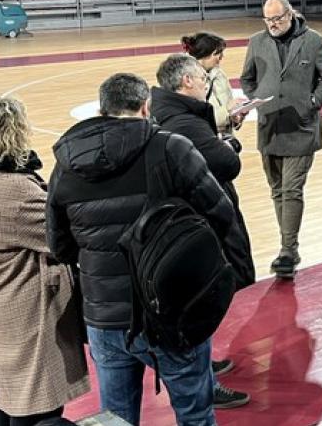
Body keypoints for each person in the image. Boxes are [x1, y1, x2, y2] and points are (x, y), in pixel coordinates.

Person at [47, 73, 252, 424]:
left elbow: (60, 246)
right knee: (195, 413)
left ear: (101, 109)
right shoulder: (171, 147)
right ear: (146, 107)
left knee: (116, 418)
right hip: (170, 310)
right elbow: (220, 212)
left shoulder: (66, 164)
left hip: (105, 316)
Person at [0, 95, 89, 426]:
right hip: (29, 314)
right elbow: (65, 235)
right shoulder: (11, 189)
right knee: (36, 406)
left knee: (11, 394)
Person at [150, 53, 255, 405]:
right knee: (200, 300)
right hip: (197, 223)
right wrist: (229, 145)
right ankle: (203, 385)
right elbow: (226, 162)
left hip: (180, 223)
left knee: (194, 302)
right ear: (186, 82)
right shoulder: (186, 122)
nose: (205, 80)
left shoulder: (165, 112)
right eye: (200, 75)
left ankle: (203, 367)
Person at [239, 0, 322, 278]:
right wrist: (256, 99)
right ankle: (289, 248)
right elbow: (247, 78)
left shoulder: (314, 40)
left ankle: (287, 249)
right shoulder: (257, 42)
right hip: (269, 129)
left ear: (291, 14)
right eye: (268, 20)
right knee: (277, 190)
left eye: (277, 19)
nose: (272, 24)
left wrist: (312, 103)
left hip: (301, 130)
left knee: (291, 189)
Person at [182, 32, 239, 133]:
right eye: (217, 53)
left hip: (225, 139)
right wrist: (227, 111)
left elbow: (230, 108)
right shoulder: (188, 82)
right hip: (206, 140)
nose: (221, 57)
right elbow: (198, 120)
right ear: (205, 55)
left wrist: (237, 118)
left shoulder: (220, 75)